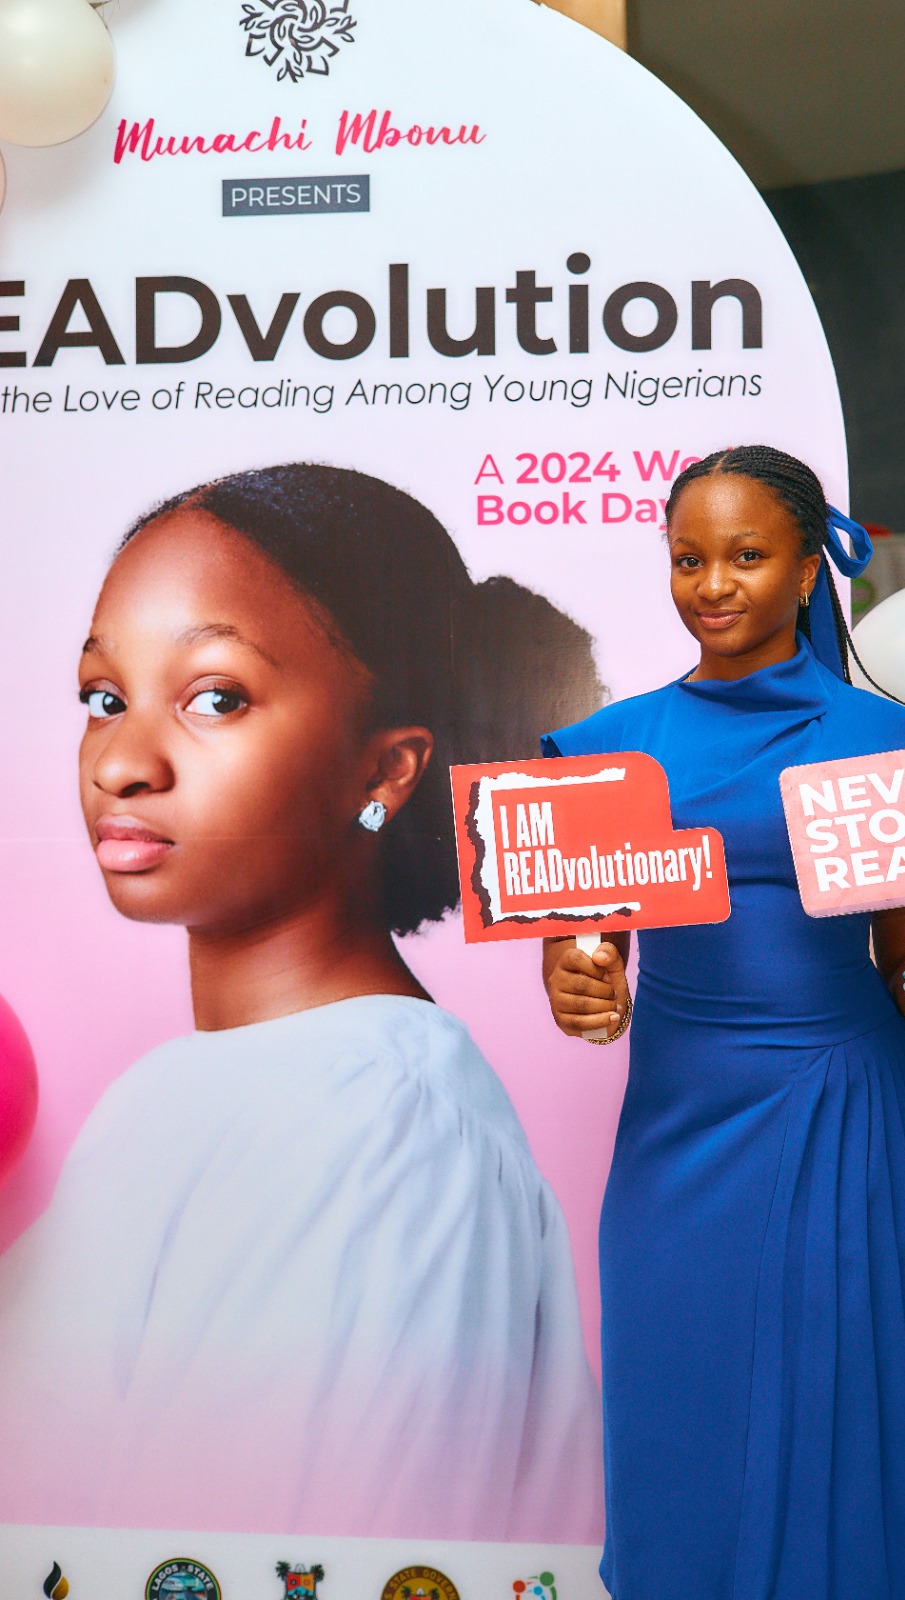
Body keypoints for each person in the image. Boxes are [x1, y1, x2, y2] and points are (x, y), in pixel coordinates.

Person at [0, 463, 603, 1541]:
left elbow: (276, 1560)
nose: (122, 763)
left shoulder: (377, 1124)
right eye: (104, 698)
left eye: (215, 697)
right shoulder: (189, 1089)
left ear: (385, 772)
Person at [542, 445, 905, 1600]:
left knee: (862, 1424)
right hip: (679, 1133)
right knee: (682, 1411)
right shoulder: (603, 749)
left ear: (805, 571)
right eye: (688, 558)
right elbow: (583, 957)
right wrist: (578, 989)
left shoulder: (884, 739)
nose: (712, 584)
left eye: (745, 556)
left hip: (853, 1121)